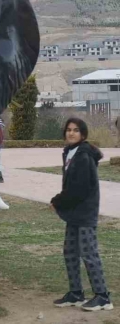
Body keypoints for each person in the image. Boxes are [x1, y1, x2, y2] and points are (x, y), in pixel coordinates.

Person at [50, 118, 113, 312]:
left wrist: (57, 200)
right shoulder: (71, 153)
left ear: (83, 134)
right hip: (74, 214)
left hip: (85, 213)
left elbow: (80, 188)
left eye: (76, 130)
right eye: (68, 130)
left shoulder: (84, 155)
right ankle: (76, 293)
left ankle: (103, 297)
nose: (71, 133)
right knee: (70, 252)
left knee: (89, 253)